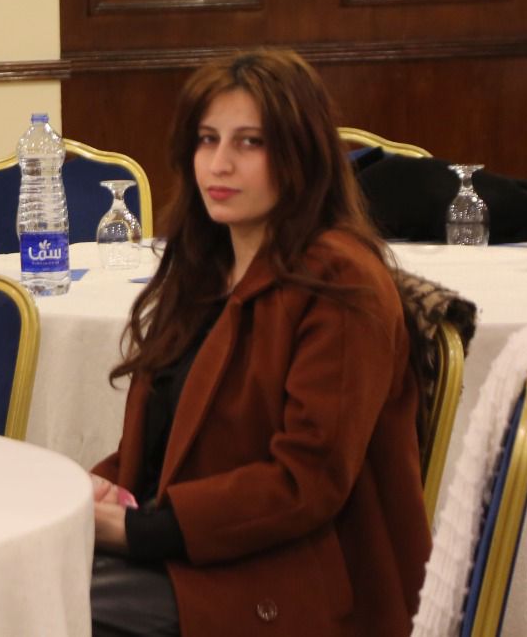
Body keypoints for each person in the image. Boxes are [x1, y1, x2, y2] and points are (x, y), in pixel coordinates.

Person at [88, 49, 430, 637]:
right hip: (199, 557)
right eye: (207, 139)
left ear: (301, 154)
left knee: (40, 605)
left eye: (250, 143)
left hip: (298, 583)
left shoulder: (340, 280)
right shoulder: (205, 266)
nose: (219, 164)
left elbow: (307, 481)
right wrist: (101, 488)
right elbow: (166, 440)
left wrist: (139, 531)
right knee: (11, 575)